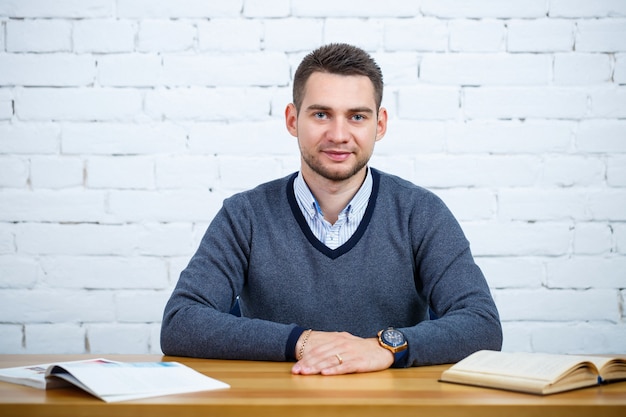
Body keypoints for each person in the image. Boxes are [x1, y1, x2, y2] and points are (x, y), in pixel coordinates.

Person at [161, 43, 502, 375]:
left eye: (357, 116)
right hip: (276, 405)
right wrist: (302, 341)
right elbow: (181, 321)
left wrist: (383, 347)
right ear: (292, 120)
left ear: (379, 125)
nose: (339, 135)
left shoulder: (421, 213)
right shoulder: (245, 215)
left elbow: (481, 325)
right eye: (321, 114)